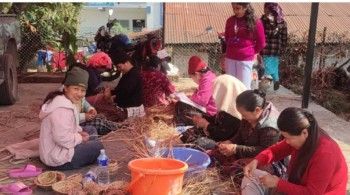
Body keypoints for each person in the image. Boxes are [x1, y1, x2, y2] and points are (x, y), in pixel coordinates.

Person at [242, 107, 348, 195]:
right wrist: (257, 161)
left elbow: (312, 193)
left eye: (288, 138)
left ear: (304, 133)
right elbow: (276, 151)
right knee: (253, 175)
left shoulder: (326, 153)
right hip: (298, 185)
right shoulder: (303, 137)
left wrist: (277, 183)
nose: (286, 142)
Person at [208, 89, 281, 183]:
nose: (242, 118)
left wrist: (236, 149)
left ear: (257, 110)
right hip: (246, 153)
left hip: (267, 161)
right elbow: (240, 134)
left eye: (244, 115)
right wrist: (230, 142)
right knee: (217, 152)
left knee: (236, 170)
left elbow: (266, 152)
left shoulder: (271, 127)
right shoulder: (249, 116)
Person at [39, 67, 104, 170]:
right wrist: (79, 138)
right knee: (99, 147)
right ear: (65, 87)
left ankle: (86, 147)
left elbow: (70, 126)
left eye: (83, 90)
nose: (79, 94)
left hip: (57, 148)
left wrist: (79, 133)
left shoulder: (64, 99)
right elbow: (61, 139)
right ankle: (86, 148)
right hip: (57, 159)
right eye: (76, 89)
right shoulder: (62, 108)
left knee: (91, 130)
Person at [170, 75, 246, 150]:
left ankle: (177, 148)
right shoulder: (226, 107)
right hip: (216, 135)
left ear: (225, 91)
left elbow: (222, 136)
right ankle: (169, 144)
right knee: (194, 131)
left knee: (199, 143)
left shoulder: (236, 113)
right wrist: (203, 119)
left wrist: (206, 125)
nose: (214, 94)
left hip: (226, 144)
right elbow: (217, 121)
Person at [87, 49, 145, 122]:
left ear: (127, 62)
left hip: (127, 110)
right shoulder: (129, 74)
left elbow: (125, 89)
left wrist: (111, 92)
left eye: (119, 66)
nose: (118, 69)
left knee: (97, 109)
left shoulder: (133, 74)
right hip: (124, 108)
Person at [223, 3, 266, 89]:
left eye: (238, 8)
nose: (235, 11)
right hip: (230, 58)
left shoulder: (256, 22)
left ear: (245, 7)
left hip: (245, 60)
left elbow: (261, 43)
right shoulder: (230, 21)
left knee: (243, 87)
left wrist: (251, 52)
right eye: (233, 8)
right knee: (230, 87)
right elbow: (227, 38)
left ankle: (243, 102)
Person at [173, 55, 217, 126]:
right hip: (210, 109)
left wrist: (188, 98)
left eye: (191, 77)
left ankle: (181, 125)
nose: (193, 80)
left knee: (181, 107)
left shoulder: (207, 80)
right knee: (181, 104)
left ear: (196, 74)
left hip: (211, 114)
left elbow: (202, 101)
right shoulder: (209, 76)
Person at [260, 3, 288, 91]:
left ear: (268, 9)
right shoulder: (282, 21)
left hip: (265, 49)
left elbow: (259, 35)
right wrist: (283, 47)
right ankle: (276, 80)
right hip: (276, 49)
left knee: (266, 69)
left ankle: (263, 88)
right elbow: (284, 37)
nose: (264, 10)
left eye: (265, 8)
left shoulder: (262, 20)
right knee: (274, 66)